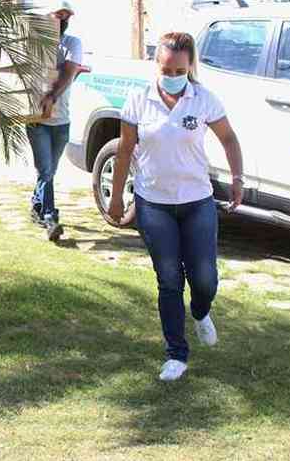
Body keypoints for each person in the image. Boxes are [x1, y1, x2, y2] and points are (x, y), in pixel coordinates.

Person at [109, 32, 244, 382]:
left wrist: (237, 180)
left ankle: (200, 312)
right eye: (166, 68)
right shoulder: (138, 100)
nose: (172, 74)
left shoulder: (203, 99)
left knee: (204, 278)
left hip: (197, 200)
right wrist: (116, 196)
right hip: (153, 203)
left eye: (179, 68)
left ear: (190, 66)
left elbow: (229, 138)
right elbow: (125, 150)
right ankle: (176, 354)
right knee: (169, 279)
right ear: (157, 64)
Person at [27, 0, 84, 241]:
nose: (62, 21)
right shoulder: (32, 43)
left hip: (62, 121)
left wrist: (51, 96)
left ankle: (36, 205)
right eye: (57, 16)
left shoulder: (72, 43)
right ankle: (50, 218)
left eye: (65, 17)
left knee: (49, 171)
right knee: (46, 170)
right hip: (36, 119)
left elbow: (69, 72)